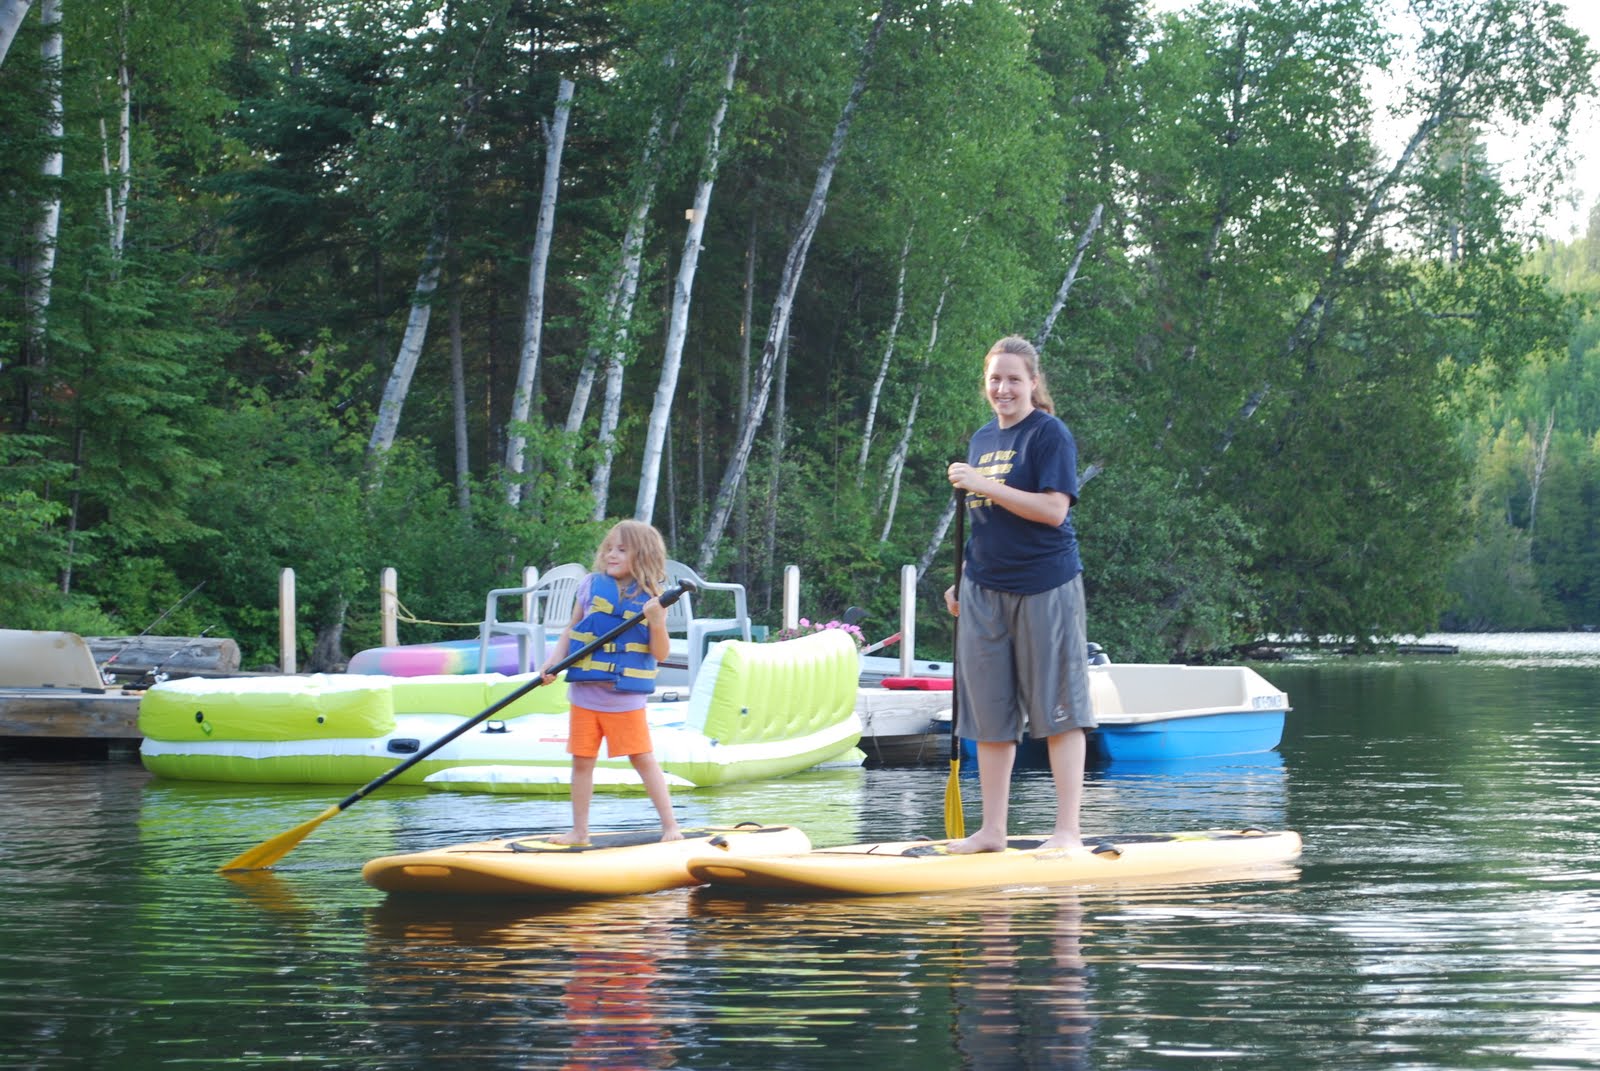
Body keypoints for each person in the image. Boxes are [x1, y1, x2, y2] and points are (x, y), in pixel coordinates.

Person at [943, 334, 1095, 854]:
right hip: (985, 589)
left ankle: (1067, 832)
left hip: (1046, 584)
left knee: (1060, 708)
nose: (1003, 388)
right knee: (989, 714)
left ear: (1032, 382)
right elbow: (987, 522)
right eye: (995, 379)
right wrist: (963, 576)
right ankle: (992, 832)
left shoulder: (1049, 434)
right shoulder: (983, 439)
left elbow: (1053, 510)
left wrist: (983, 484)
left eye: (1013, 379)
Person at [541, 520, 683, 844]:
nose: (611, 554)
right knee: (582, 762)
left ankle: (671, 826)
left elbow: (660, 653)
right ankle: (579, 832)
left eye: (621, 549)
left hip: (624, 699)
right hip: (584, 695)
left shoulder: (653, 600)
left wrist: (657, 622)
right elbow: (571, 630)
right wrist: (552, 663)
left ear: (642, 555)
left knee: (642, 759)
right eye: (609, 548)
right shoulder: (590, 586)